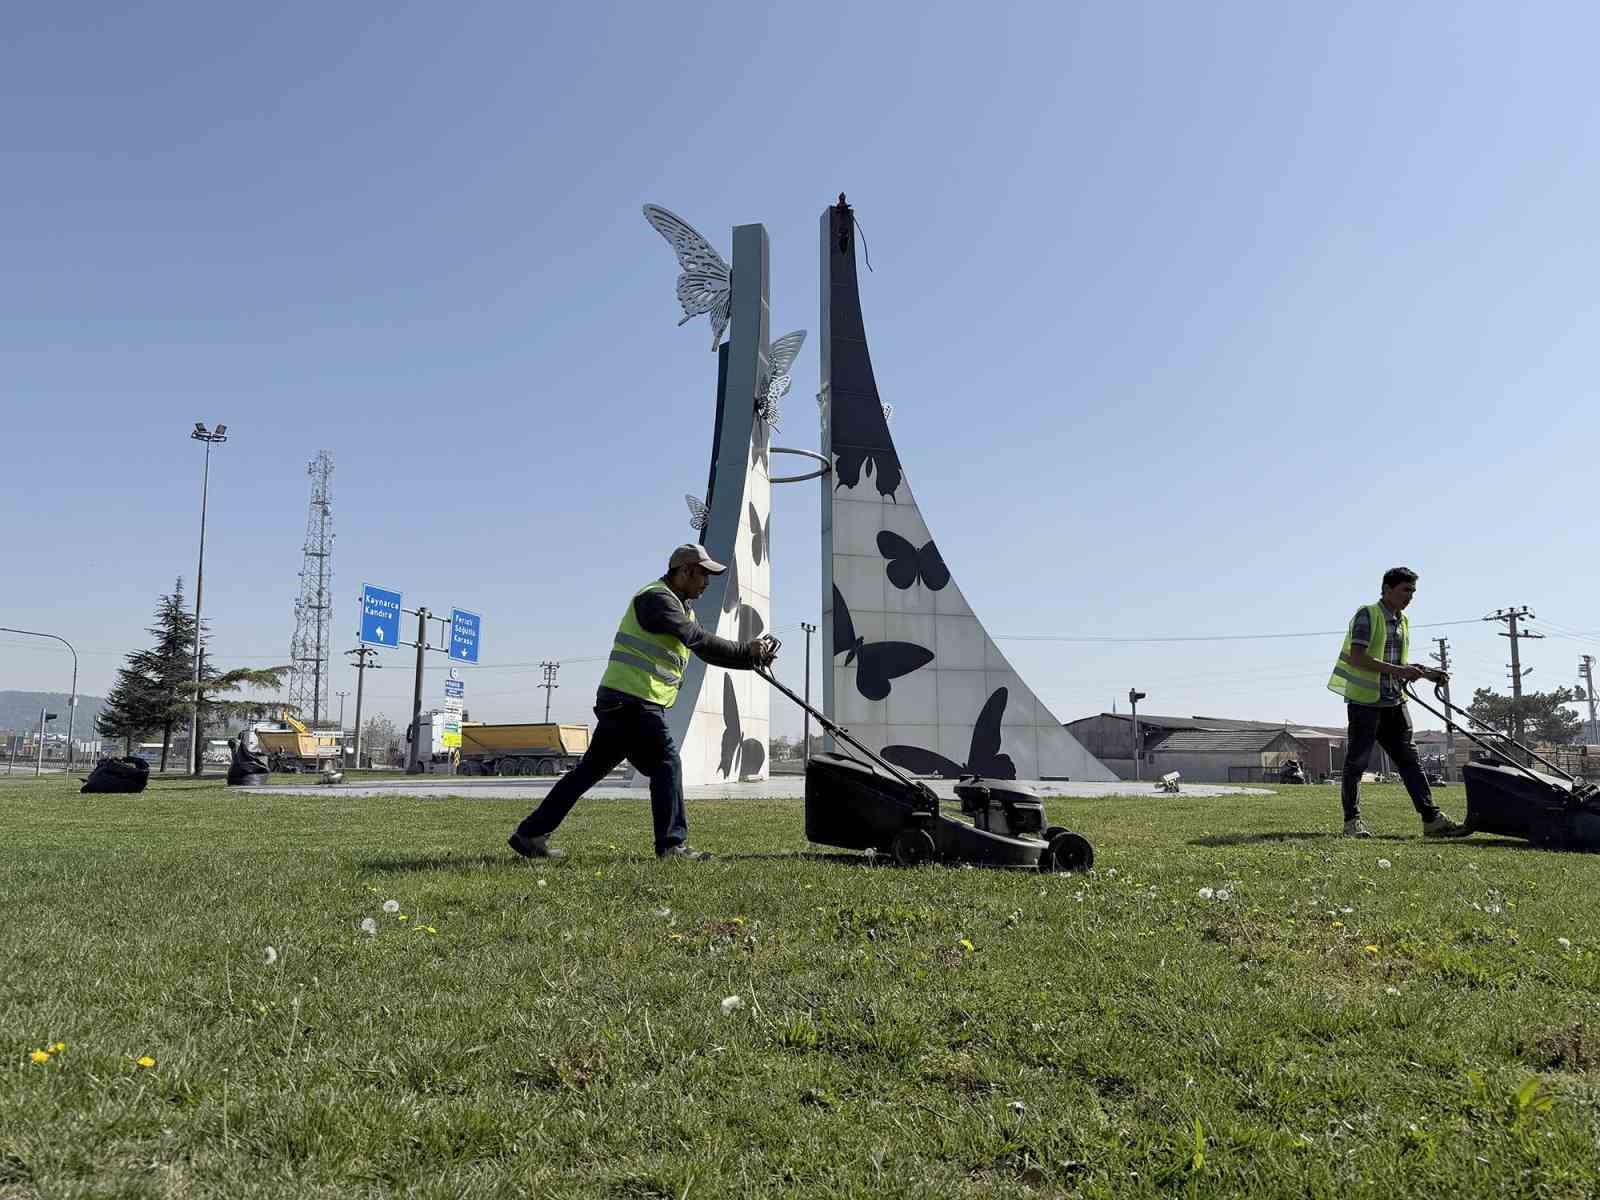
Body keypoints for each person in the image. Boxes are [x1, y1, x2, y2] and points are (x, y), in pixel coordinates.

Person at [508, 543, 779, 862]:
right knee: (667, 763)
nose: (707, 582)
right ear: (684, 571)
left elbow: (703, 650)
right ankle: (671, 847)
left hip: (622, 701)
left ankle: (529, 835)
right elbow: (697, 639)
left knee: (588, 772)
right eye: (703, 575)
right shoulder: (656, 599)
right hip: (633, 701)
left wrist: (750, 662)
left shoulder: (679, 606)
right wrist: (746, 650)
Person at [1327, 566, 1467, 839]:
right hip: (1366, 702)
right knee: (1356, 764)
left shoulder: (1402, 621)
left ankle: (1432, 819)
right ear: (1388, 589)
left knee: (1411, 762)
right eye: (1406, 590)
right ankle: (1351, 823)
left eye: (1413, 591)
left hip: (1394, 702)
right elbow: (1358, 658)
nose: (1410, 596)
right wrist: (1400, 671)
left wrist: (1427, 674)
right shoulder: (1367, 615)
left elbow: (1396, 663)